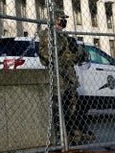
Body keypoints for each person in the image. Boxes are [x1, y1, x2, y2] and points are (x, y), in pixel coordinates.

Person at [38, 9, 92, 146]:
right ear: (55, 19)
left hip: (69, 75)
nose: (64, 21)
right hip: (58, 75)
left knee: (73, 105)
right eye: (61, 18)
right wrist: (63, 41)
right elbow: (47, 56)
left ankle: (73, 132)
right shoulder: (48, 34)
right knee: (60, 106)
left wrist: (78, 51)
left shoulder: (65, 36)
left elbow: (72, 57)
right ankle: (61, 135)